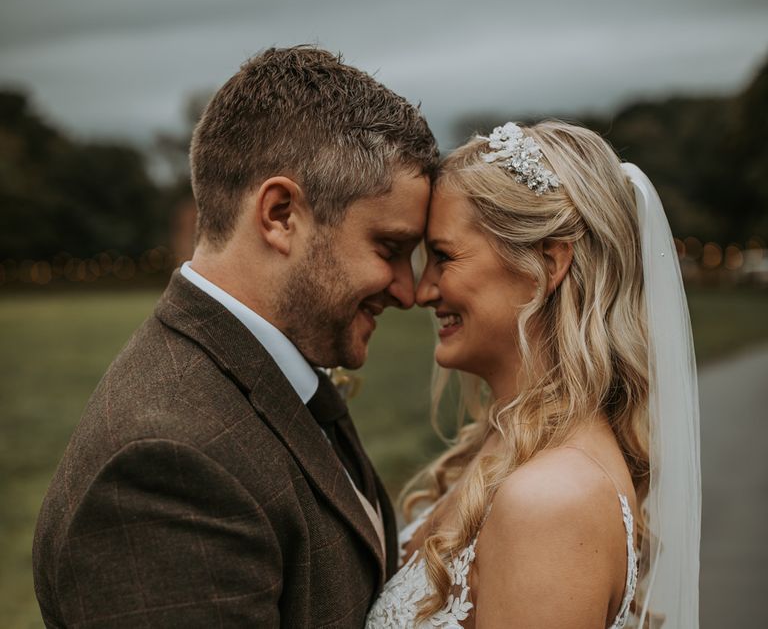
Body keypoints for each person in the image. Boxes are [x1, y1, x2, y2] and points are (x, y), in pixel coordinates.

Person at [33, 46, 439, 627]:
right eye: (390, 249)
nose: (407, 290)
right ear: (279, 214)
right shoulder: (163, 472)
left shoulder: (265, 369)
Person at [366, 121, 700, 628]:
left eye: (443, 257)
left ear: (547, 262)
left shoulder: (552, 501)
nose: (421, 290)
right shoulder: (507, 447)